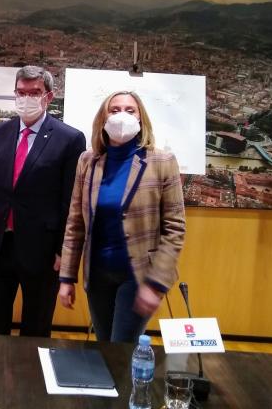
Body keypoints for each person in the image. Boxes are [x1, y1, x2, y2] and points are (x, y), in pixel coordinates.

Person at [58, 91, 185, 343]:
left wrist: (157, 283)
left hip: (138, 276)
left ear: (141, 118)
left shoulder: (162, 161)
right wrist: (66, 277)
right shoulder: (88, 160)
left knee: (121, 349)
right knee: (105, 346)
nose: (122, 115)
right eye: (114, 110)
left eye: (130, 110)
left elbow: (175, 228)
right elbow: (75, 223)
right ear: (103, 119)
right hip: (97, 274)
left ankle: (127, 384)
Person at [0, 65, 86, 337]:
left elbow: (70, 202)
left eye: (35, 93)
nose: (27, 98)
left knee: (36, 324)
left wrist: (63, 251)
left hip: (43, 251)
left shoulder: (70, 139)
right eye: (21, 92)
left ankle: (31, 377)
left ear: (49, 96)